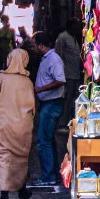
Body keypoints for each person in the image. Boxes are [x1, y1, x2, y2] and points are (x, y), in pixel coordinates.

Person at [0, 49, 36, 199]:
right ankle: (22, 191)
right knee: (20, 159)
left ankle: (4, 196)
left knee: (3, 158)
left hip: (2, 125)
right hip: (23, 126)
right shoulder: (28, 82)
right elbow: (33, 108)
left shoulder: (1, 78)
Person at [33, 31, 66, 186]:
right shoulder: (46, 58)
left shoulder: (53, 59)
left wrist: (42, 89)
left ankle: (48, 177)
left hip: (52, 102)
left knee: (43, 140)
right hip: (47, 102)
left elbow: (60, 80)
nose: (33, 48)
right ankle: (53, 174)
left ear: (40, 45)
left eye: (34, 44)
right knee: (48, 139)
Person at [55, 19, 83, 127]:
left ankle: (68, 122)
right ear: (70, 26)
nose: (78, 29)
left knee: (72, 100)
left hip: (75, 75)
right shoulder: (63, 37)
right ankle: (62, 123)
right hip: (67, 75)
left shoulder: (74, 38)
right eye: (76, 26)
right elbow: (58, 56)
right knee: (66, 100)